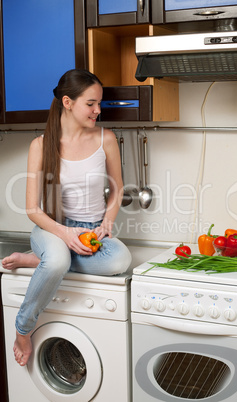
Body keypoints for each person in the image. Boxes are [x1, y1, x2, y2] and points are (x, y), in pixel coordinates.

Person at [2, 69, 132, 367]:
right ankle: (23, 328)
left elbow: (117, 189)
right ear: (68, 102)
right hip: (51, 228)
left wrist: (107, 223)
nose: (98, 110)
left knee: (119, 260)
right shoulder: (40, 145)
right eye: (91, 103)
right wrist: (64, 234)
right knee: (59, 259)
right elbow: (33, 209)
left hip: (92, 231)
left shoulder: (106, 139)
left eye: (99, 103)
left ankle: (36, 260)